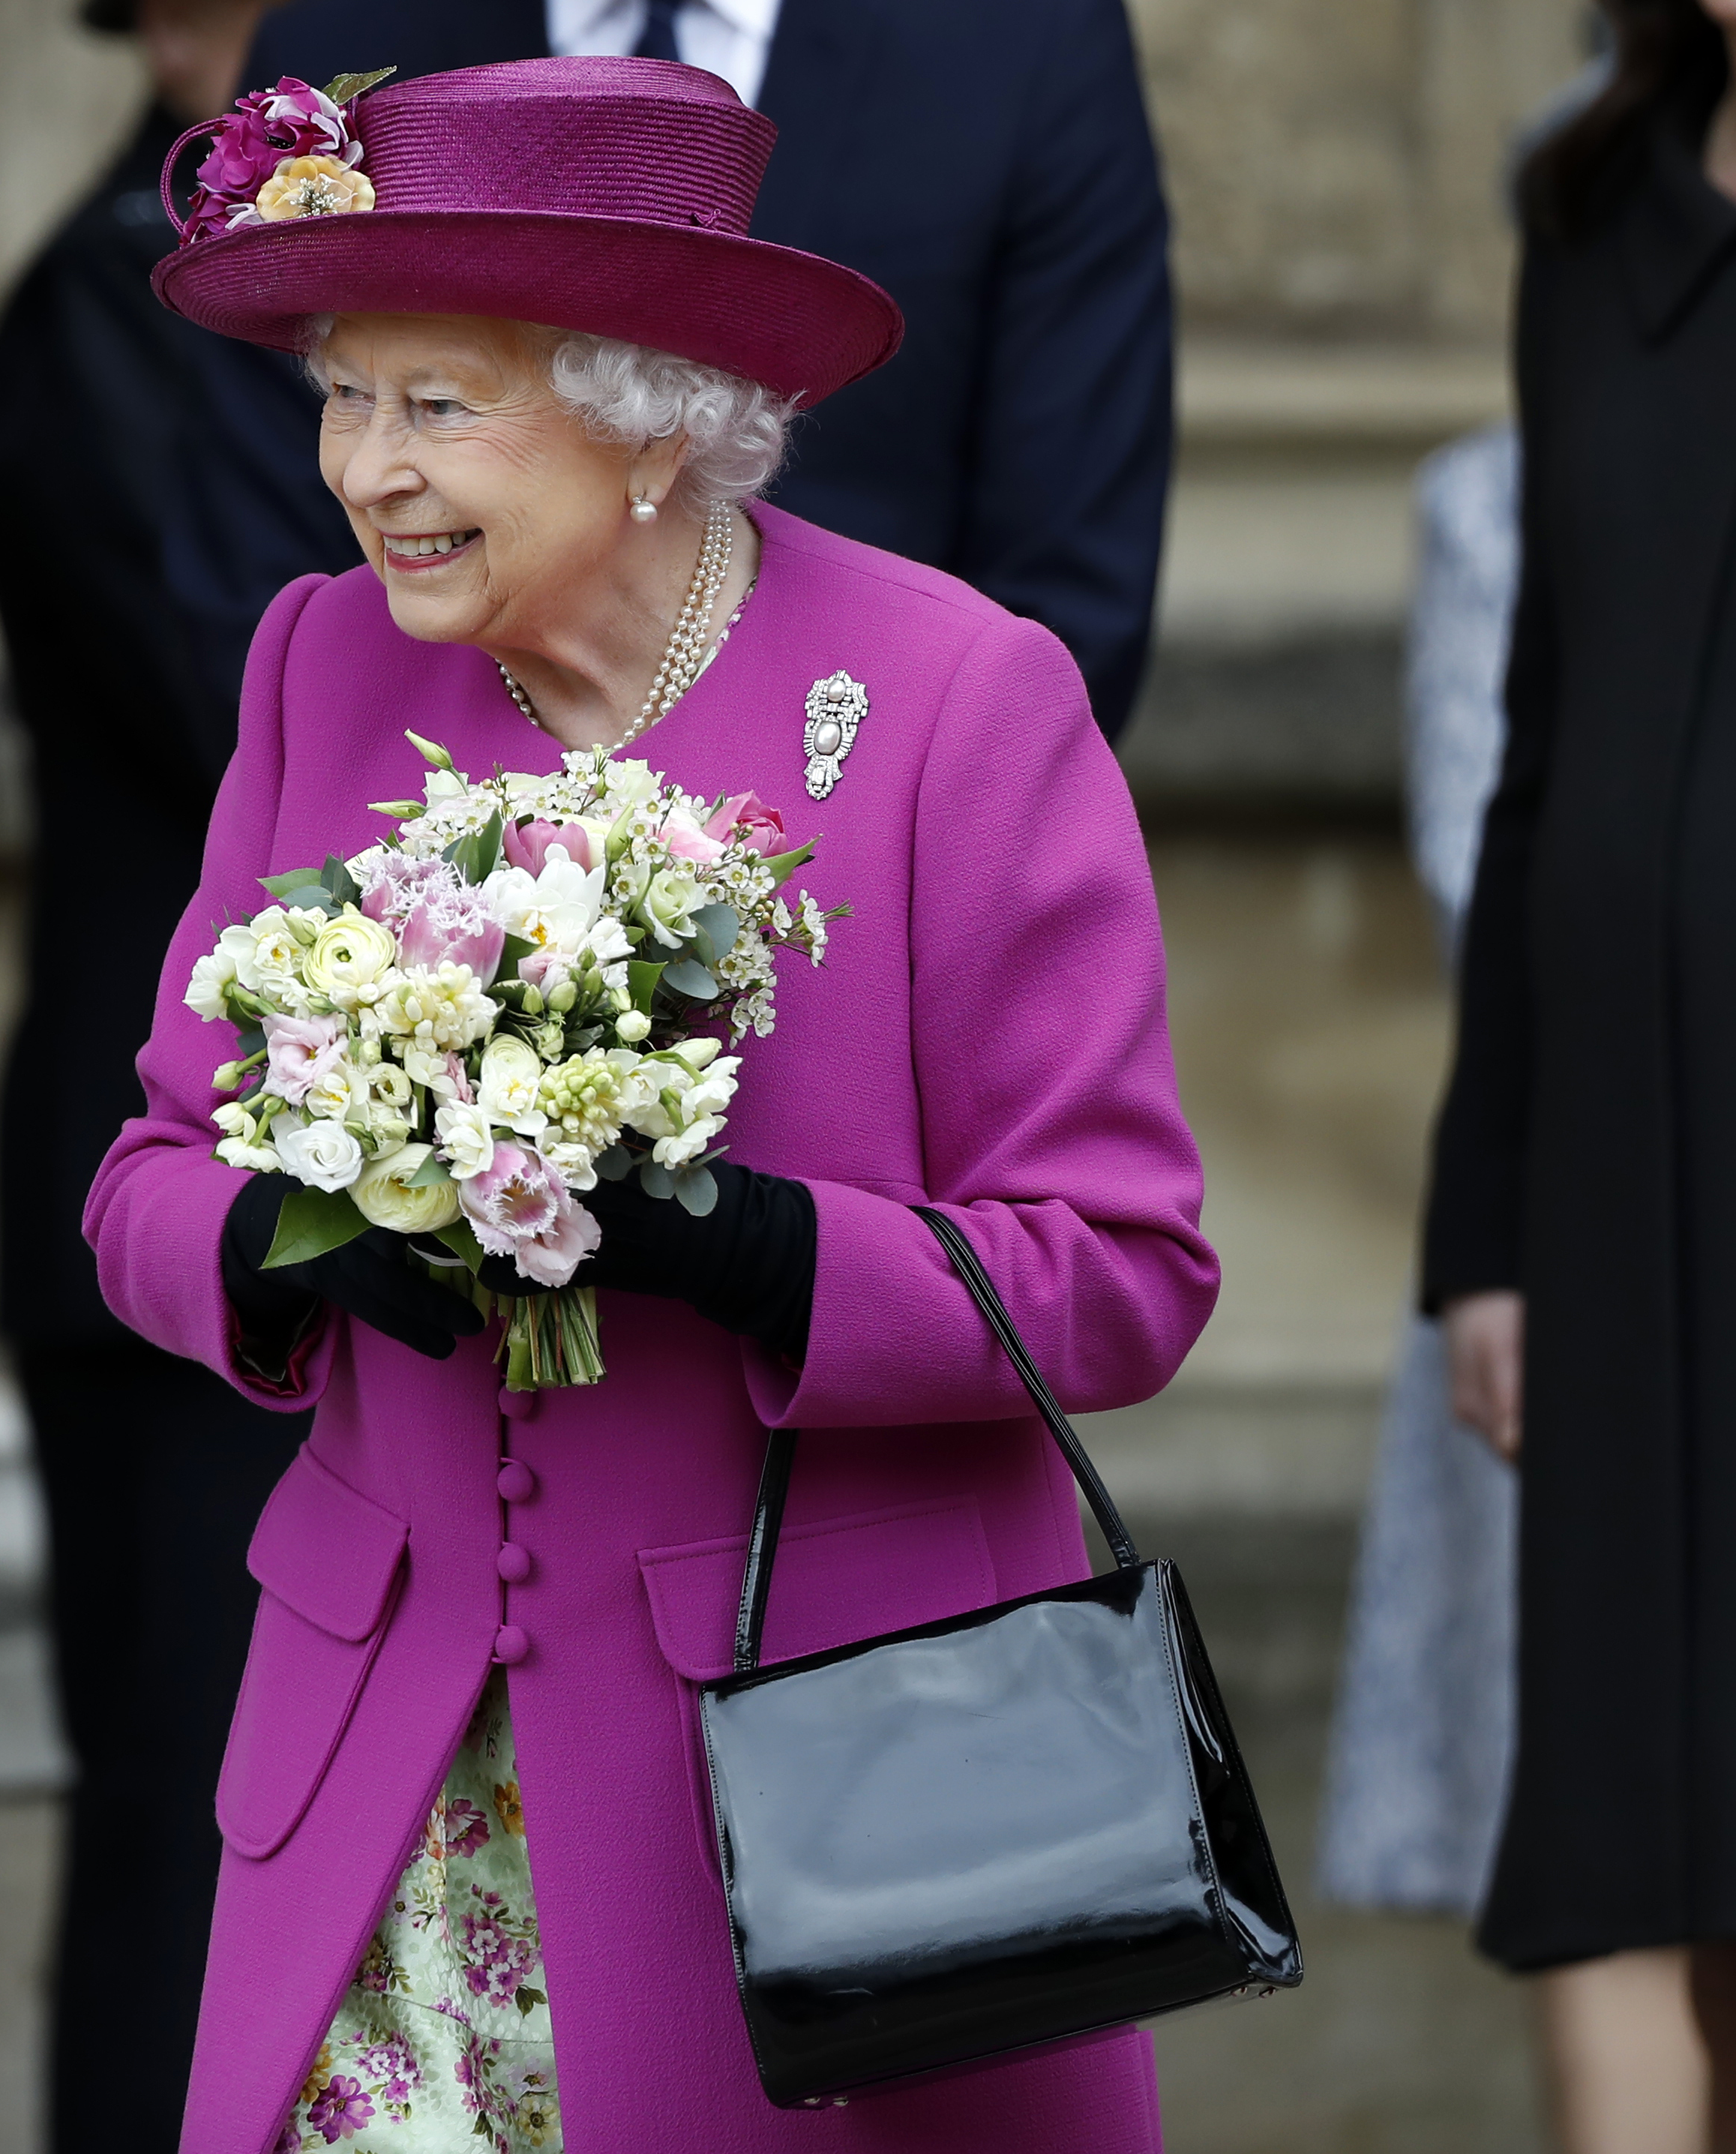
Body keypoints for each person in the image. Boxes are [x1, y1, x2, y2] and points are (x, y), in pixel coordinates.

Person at [86, 56, 1216, 2150]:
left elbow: (1126, 1277)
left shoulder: (957, 701)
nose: (362, 469)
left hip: (821, 1797)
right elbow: (146, 1180)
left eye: (438, 405)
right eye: (344, 394)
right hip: (390, 1792)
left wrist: (767, 1253)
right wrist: (275, 1239)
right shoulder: (314, 664)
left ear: (646, 412)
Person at [0, 8, 351, 2146]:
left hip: (322, 1212)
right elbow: (274, 728)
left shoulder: (292, 276)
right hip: (180, 1213)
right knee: (201, 1862)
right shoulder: (118, 307)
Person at [190, 0, 1177, 740]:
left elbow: (1073, 580)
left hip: (863, 813)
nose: (373, 467)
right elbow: (248, 539)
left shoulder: (1019, 37)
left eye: (441, 403)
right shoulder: (345, 26)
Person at [1423, 0, 1736, 2138]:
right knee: (1623, 1818)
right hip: (1623, 1175)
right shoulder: (1589, 211)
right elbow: (1535, 755)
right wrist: (1487, 1236)